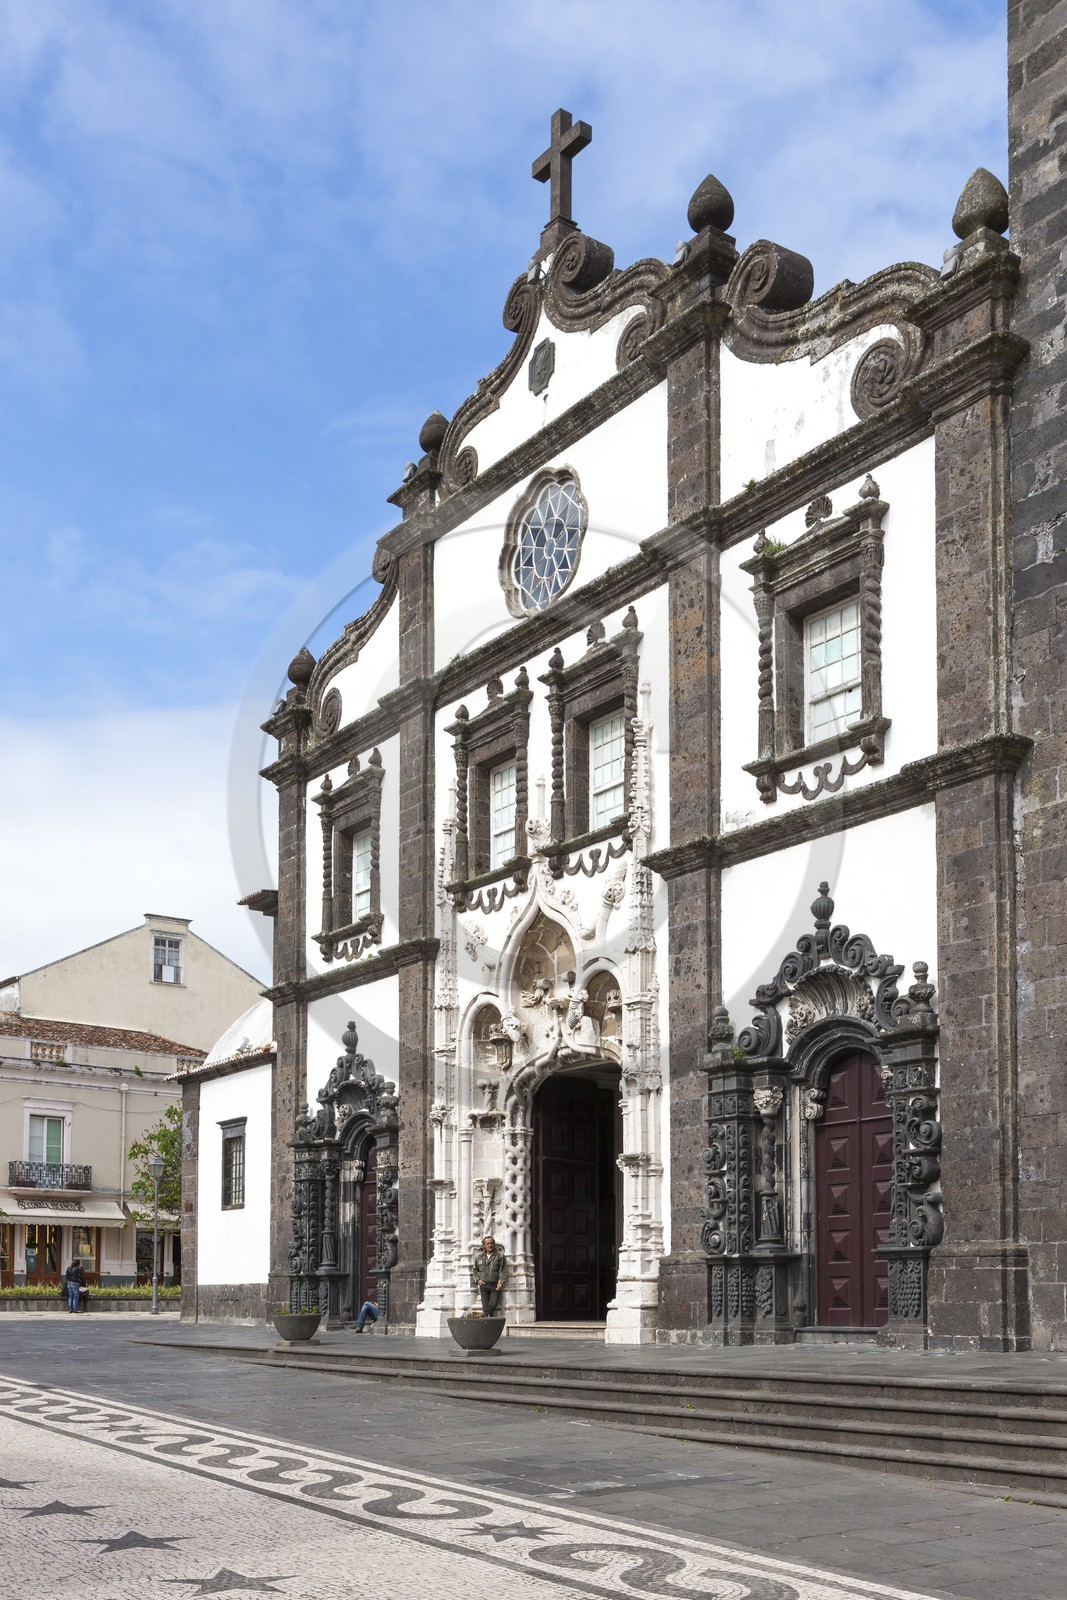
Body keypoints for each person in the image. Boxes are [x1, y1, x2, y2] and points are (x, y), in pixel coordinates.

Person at [471, 1235, 507, 1316]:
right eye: (488, 1243)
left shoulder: (499, 1256)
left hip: (495, 1285)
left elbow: (503, 1270)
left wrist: (501, 1282)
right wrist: (477, 1280)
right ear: (484, 1245)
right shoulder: (479, 1257)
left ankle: (481, 1316)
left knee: (493, 1305)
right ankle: (488, 1324)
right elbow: (474, 1270)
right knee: (485, 1306)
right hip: (483, 1285)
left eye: (492, 1243)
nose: (490, 1245)